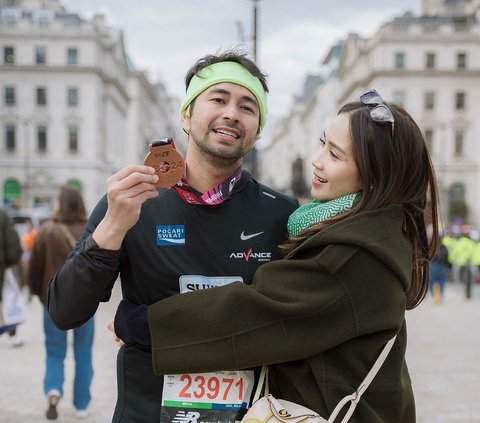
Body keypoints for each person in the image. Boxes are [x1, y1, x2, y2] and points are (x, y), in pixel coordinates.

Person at [112, 89, 440, 422]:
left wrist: (142, 324)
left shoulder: (355, 253)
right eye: (323, 143)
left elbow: (258, 312)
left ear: (375, 176)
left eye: (335, 155)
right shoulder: (365, 229)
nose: (317, 159)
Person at [47, 49, 299, 422]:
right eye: (218, 99)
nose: (232, 112)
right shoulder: (132, 201)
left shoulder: (281, 213)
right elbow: (65, 311)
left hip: (251, 414)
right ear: (186, 116)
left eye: (248, 107)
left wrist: (141, 323)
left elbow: (290, 324)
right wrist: (113, 226)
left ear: (258, 130)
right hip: (145, 412)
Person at [28, 187, 94, 420]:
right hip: (85, 303)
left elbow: (34, 269)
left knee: (54, 352)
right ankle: (82, 404)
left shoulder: (46, 231)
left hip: (52, 301)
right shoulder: (91, 229)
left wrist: (40, 296)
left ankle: (54, 389)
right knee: (83, 352)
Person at [0, 207, 23, 347]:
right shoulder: (3, 215)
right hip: (2, 267)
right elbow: (14, 245)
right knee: (9, 298)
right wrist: (8, 263)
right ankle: (13, 334)